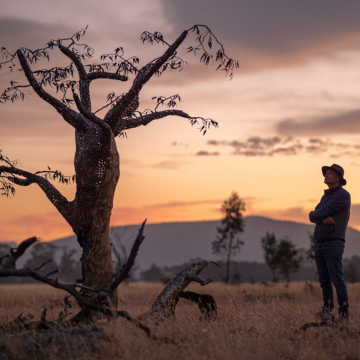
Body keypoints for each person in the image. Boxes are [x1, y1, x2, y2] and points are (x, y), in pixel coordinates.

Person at [309, 164, 351, 320]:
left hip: (333, 242)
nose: (326, 175)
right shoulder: (325, 196)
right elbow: (312, 215)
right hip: (319, 242)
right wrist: (320, 216)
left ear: (338, 178)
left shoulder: (343, 195)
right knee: (324, 281)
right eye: (325, 173)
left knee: (337, 280)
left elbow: (322, 212)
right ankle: (326, 312)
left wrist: (318, 214)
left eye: (330, 173)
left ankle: (344, 314)